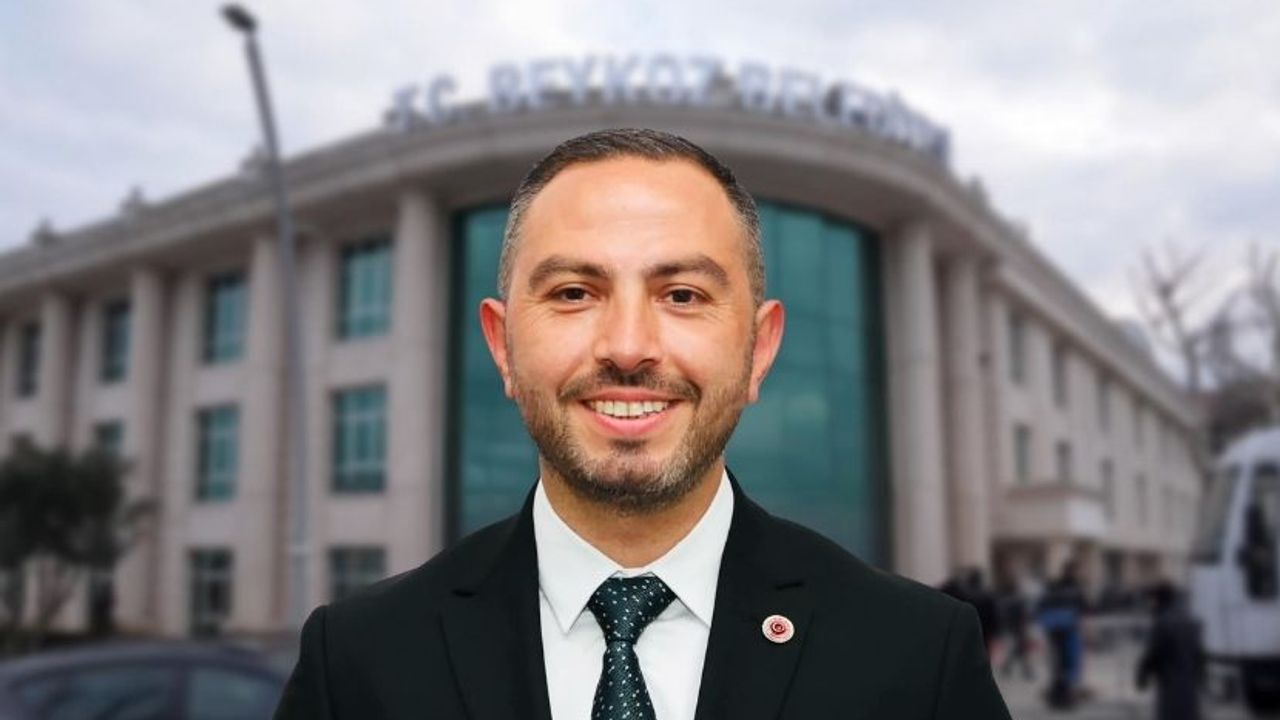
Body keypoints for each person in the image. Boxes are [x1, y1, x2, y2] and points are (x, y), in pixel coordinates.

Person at [273, 128, 1011, 719]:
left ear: (759, 350)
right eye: (573, 292)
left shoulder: (918, 656)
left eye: (682, 295)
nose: (627, 347)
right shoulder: (358, 662)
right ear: (502, 347)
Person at [1136, 581, 1204, 720]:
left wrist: (1142, 675)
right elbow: (1199, 655)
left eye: (1152, 599)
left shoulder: (1162, 622)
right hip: (1189, 686)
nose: (1150, 604)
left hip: (1170, 685)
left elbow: (1154, 653)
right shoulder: (1190, 620)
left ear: (1159, 599)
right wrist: (1201, 677)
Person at [1036, 560, 1087, 709]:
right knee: (1068, 664)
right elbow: (1085, 606)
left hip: (1053, 630)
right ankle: (1064, 698)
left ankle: (1056, 696)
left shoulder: (1053, 587)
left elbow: (1041, 606)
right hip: (1068, 629)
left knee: (1057, 664)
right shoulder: (1075, 588)